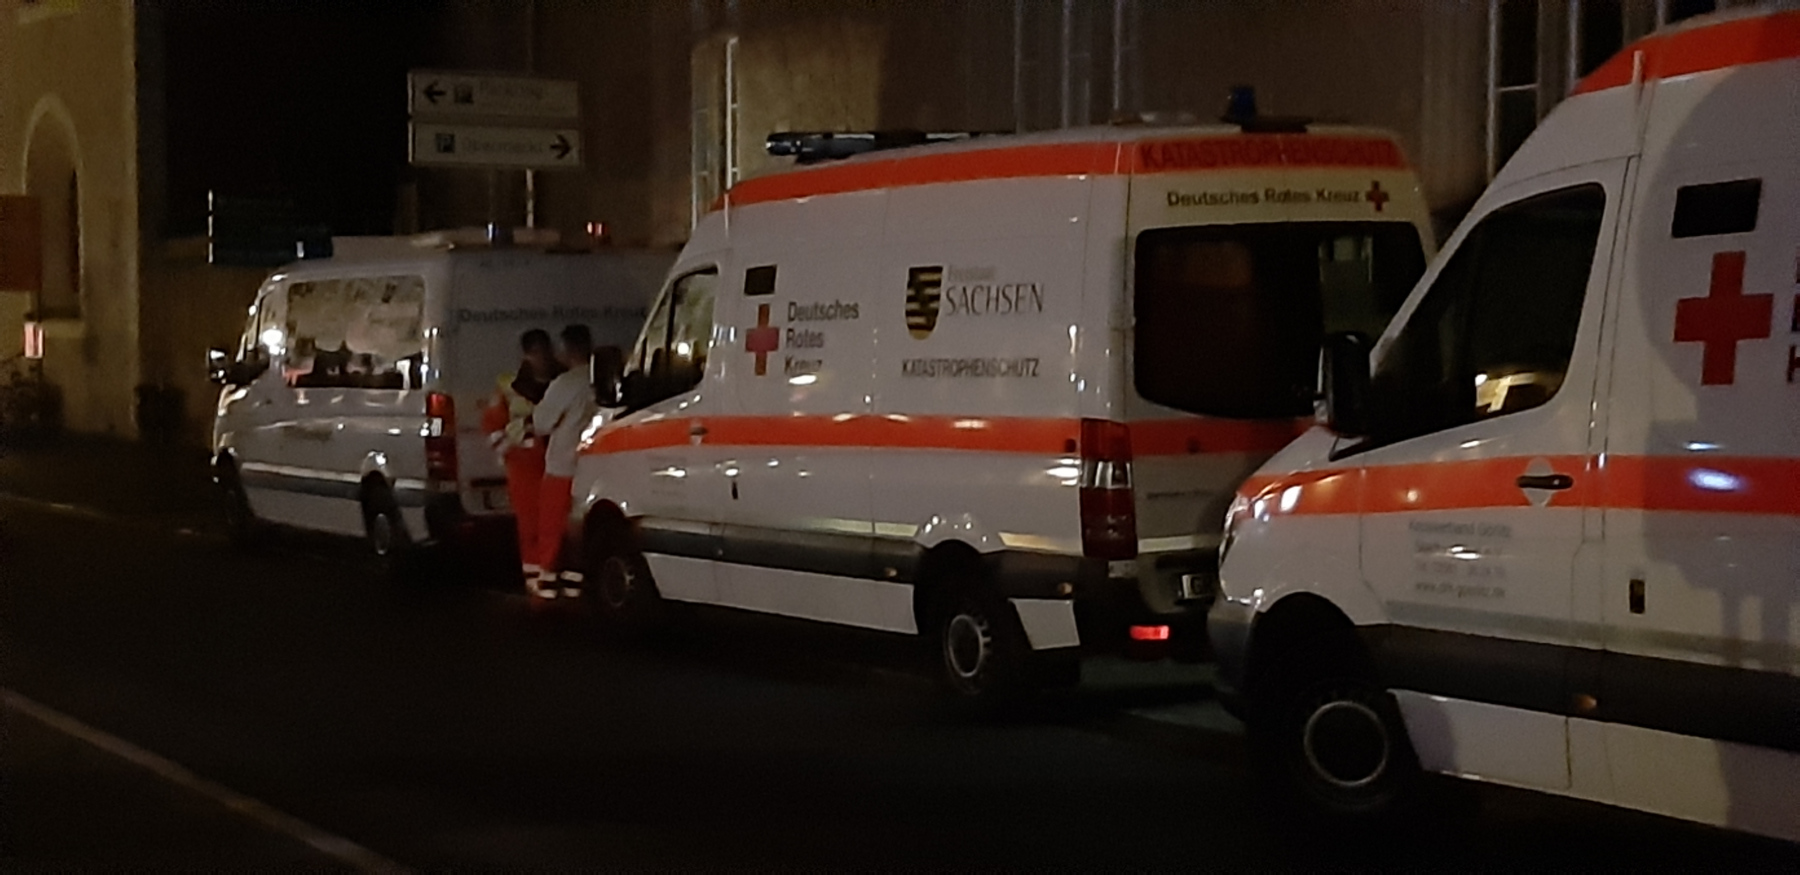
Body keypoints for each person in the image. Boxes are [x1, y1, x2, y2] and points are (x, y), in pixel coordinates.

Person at [480, 329, 562, 589]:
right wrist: (511, 451)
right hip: (524, 467)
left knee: (559, 526)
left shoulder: (564, 381)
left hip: (560, 463)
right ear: (526, 355)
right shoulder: (509, 386)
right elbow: (492, 426)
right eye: (536, 352)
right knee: (530, 527)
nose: (542, 357)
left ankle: (555, 579)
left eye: (545, 350)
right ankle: (536, 584)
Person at [530, 324, 597, 599]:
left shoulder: (566, 383)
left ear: (567, 350)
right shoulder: (602, 379)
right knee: (582, 528)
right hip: (595, 466)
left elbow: (542, 422)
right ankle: (576, 581)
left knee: (552, 524)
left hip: (562, 466)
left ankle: (547, 579)